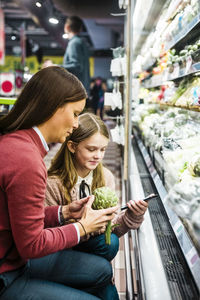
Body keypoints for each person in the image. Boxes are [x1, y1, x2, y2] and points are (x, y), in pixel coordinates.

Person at [0, 66, 119, 300]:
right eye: (75, 113)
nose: (76, 124)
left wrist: (62, 213)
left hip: (14, 258)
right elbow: (31, 244)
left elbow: (20, 218)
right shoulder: (27, 161)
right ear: (54, 108)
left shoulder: (17, 143)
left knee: (103, 270)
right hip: (7, 273)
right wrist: (82, 228)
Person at [46, 113, 148, 247]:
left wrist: (132, 215)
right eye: (91, 149)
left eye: (103, 150)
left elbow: (112, 228)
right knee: (109, 247)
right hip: (63, 247)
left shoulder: (106, 177)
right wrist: (86, 225)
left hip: (92, 245)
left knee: (110, 243)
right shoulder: (53, 183)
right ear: (72, 146)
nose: (98, 156)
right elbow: (47, 231)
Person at [63, 16, 90, 95]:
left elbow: (77, 66)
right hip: (79, 89)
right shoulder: (81, 42)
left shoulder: (74, 43)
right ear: (80, 29)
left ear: (67, 27)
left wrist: (54, 66)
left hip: (74, 90)